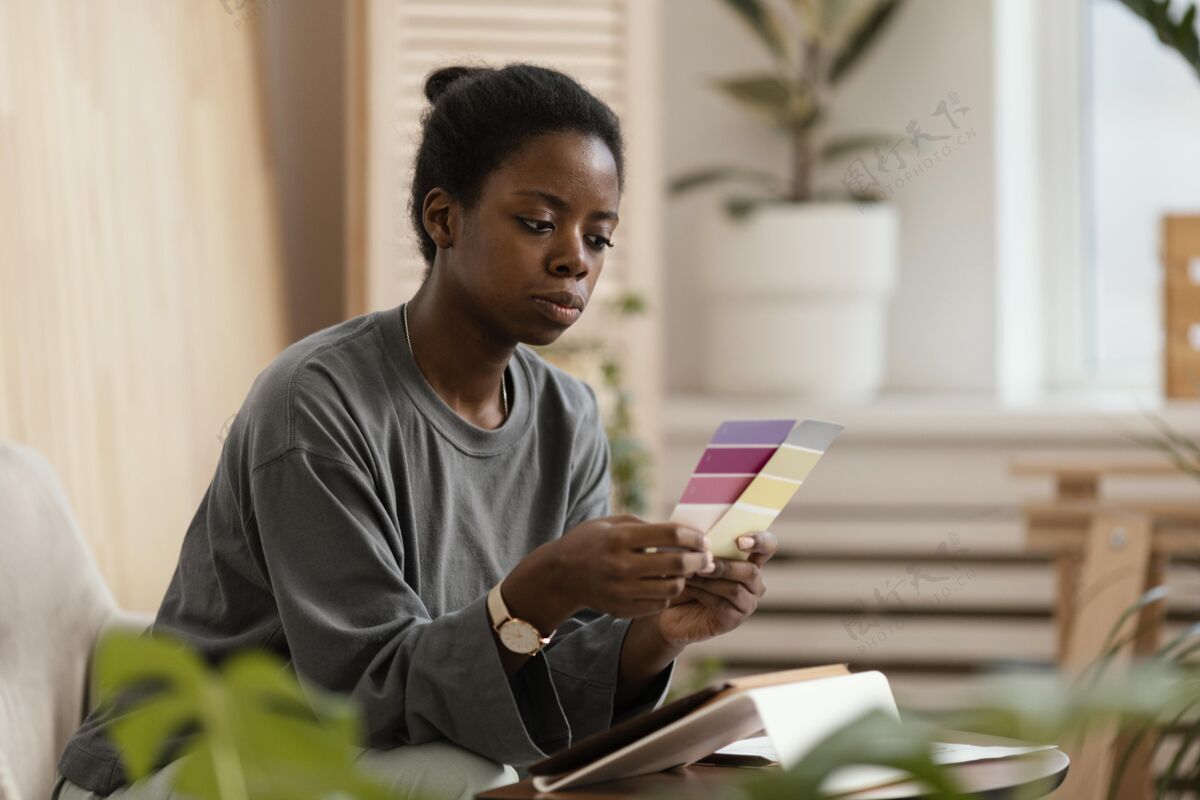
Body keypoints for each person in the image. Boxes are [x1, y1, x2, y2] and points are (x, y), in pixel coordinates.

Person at [52, 63, 777, 800]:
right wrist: (542, 585)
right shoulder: (319, 400)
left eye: (599, 238)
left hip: (360, 765)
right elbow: (358, 697)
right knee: (469, 777)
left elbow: (545, 684)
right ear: (443, 218)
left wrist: (664, 632)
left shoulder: (569, 416)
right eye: (538, 223)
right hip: (185, 766)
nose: (573, 261)